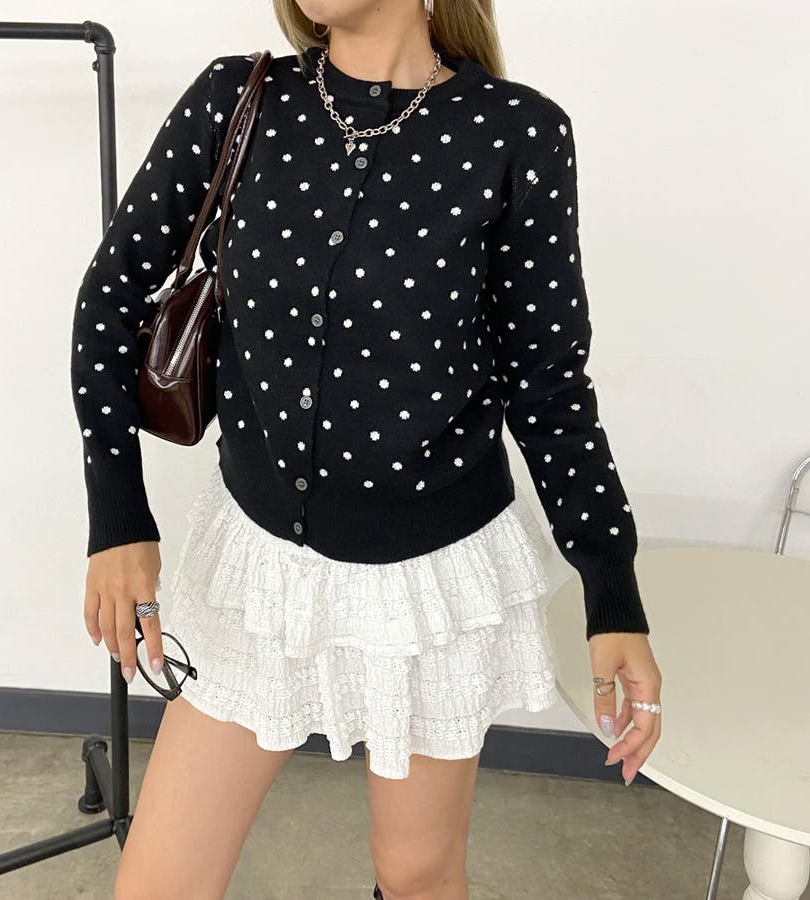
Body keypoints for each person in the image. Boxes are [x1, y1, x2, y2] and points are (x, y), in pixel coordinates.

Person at [71, 1, 663, 897]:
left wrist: (612, 595)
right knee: (160, 883)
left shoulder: (516, 134)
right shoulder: (239, 100)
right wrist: (117, 519)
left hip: (431, 587)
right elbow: (111, 299)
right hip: (260, 575)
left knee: (416, 871)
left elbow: (549, 388)